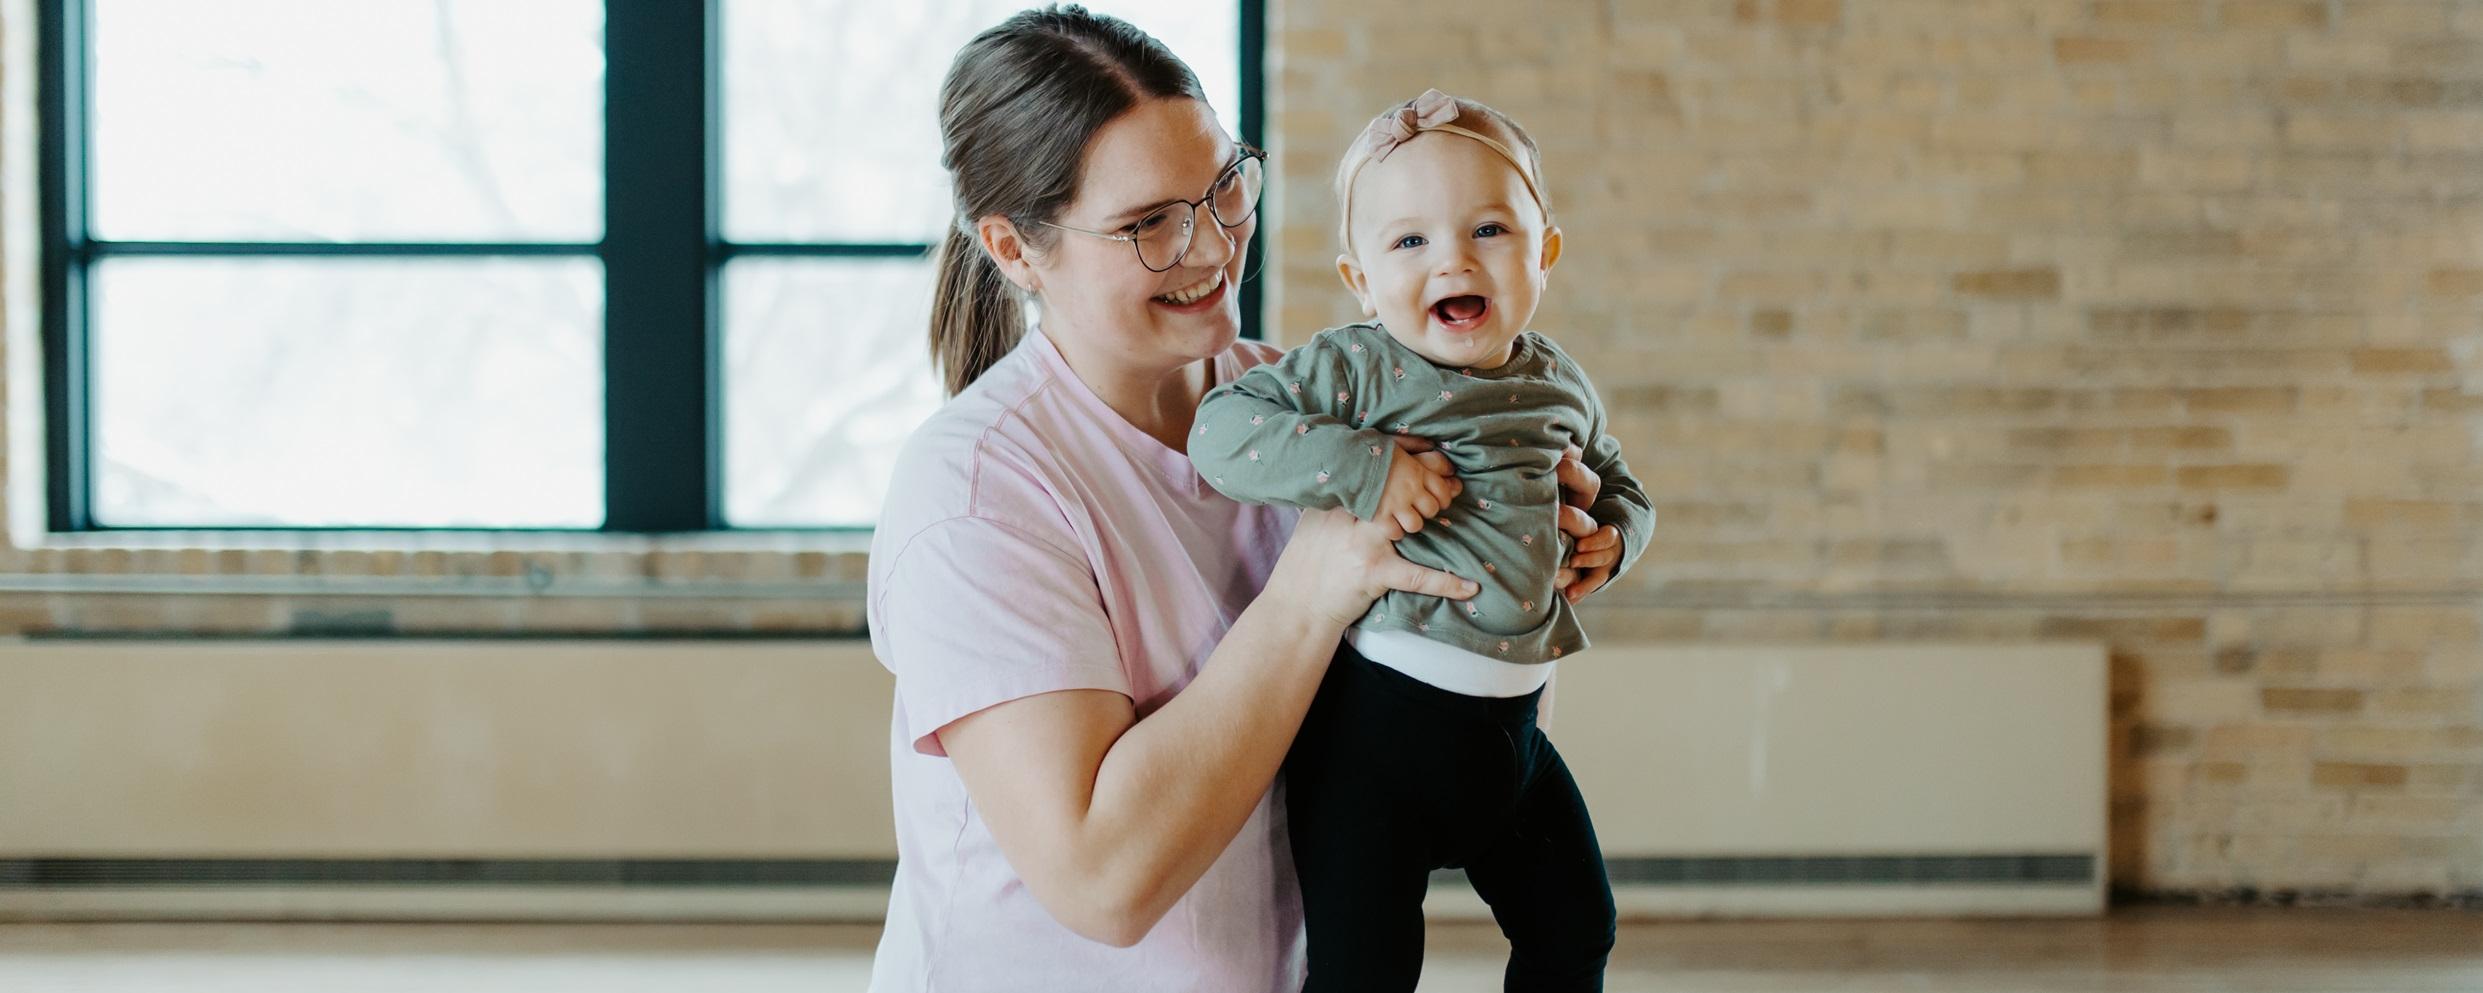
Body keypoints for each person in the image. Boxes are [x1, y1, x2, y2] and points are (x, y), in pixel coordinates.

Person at [865, 9, 1611, 992]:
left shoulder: (1307, 405)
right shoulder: (975, 497)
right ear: (1014, 247)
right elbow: (1104, 884)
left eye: (1223, 185)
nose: (1214, 245)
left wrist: (1523, 558)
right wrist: (1314, 584)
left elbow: (1427, 753)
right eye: (1150, 223)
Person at [1188, 88, 1650, 992]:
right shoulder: (1358, 368)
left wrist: (1617, 535)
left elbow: (1624, 484)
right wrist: (1362, 468)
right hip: (1376, 742)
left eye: (1489, 231)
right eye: (1409, 241)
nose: (1451, 260)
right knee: (1368, 968)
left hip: (1511, 741)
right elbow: (1221, 430)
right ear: (1360, 279)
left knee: (1577, 927)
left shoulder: (1558, 382)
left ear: (1543, 253)